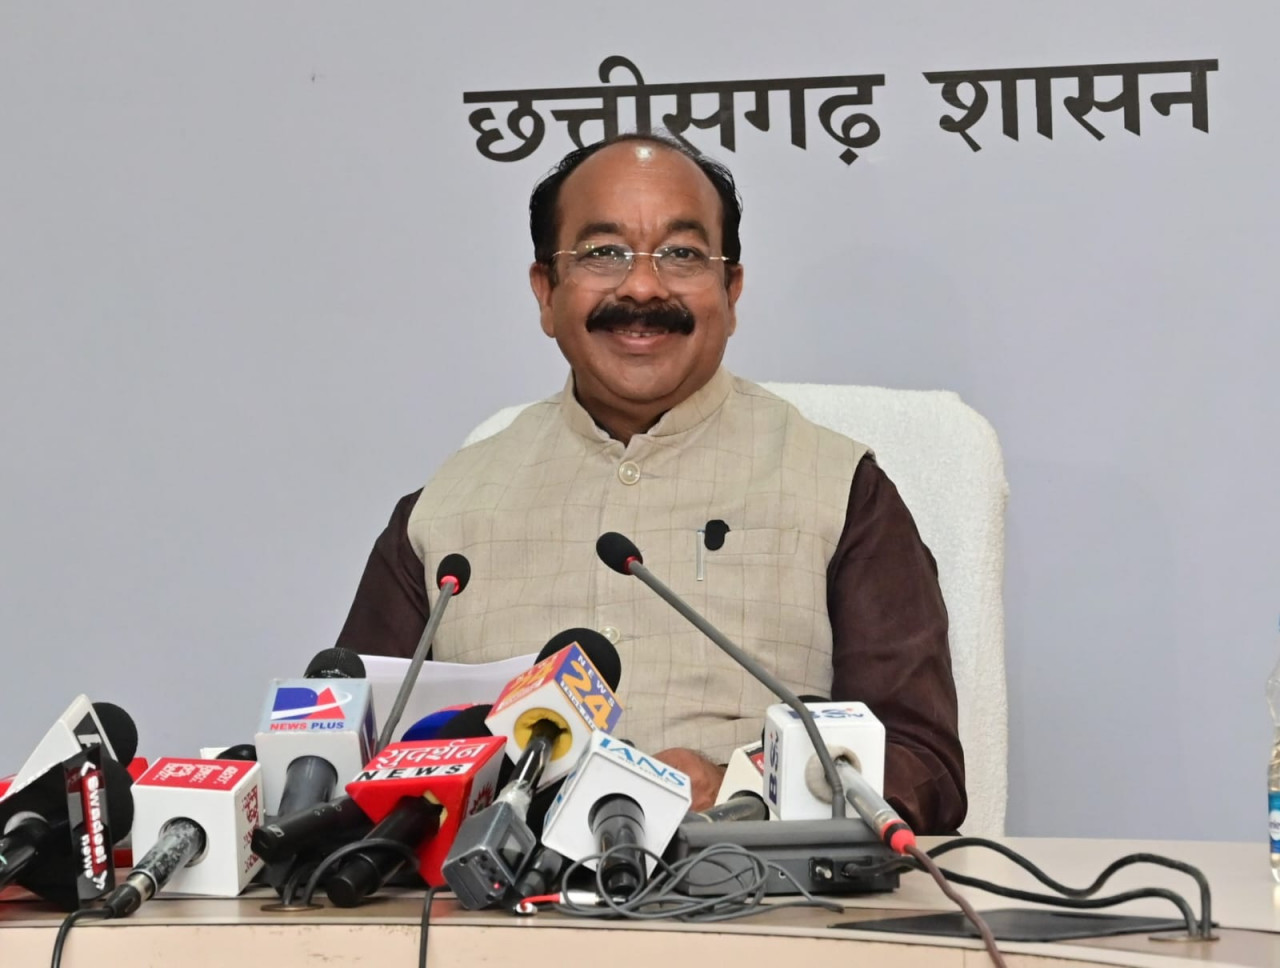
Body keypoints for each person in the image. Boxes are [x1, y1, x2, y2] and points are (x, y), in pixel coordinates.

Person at [336, 133, 966, 832]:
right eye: (603, 253)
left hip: (753, 889)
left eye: (682, 254)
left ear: (731, 290)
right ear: (546, 292)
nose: (641, 287)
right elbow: (345, 761)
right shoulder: (443, 514)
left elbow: (923, 768)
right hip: (494, 893)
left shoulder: (842, 490)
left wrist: (740, 787)